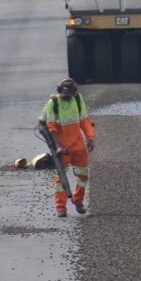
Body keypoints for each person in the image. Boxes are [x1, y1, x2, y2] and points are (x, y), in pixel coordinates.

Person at [40, 78, 95, 217]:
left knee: (83, 176)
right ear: (59, 92)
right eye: (64, 95)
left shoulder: (77, 99)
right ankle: (61, 207)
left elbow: (84, 119)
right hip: (63, 148)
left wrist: (89, 138)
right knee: (61, 179)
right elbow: (51, 127)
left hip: (78, 146)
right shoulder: (53, 103)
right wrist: (58, 147)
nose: (66, 98)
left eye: (69, 95)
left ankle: (78, 200)